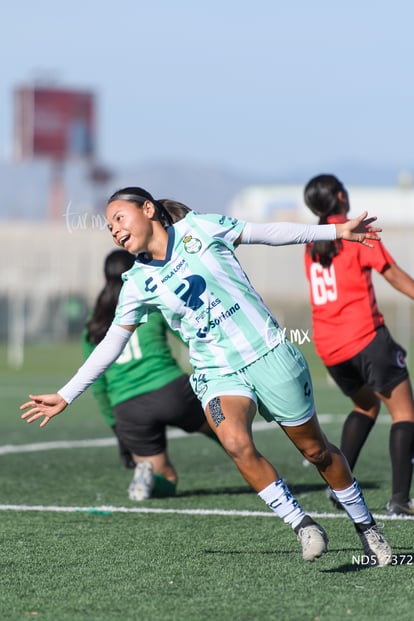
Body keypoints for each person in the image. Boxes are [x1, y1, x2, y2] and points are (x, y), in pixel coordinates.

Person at [20, 186, 392, 565]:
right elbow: (111, 343)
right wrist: (67, 394)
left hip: (268, 354)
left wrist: (337, 231)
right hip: (216, 371)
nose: (114, 230)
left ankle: (366, 527)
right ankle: (302, 524)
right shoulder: (136, 283)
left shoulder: (201, 228)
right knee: (234, 443)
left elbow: (268, 233)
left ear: (148, 209)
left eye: (119, 218)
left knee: (316, 451)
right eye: (108, 226)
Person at [303, 173, 414, 517]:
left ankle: (339, 488)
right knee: (405, 413)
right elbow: (392, 274)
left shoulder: (313, 241)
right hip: (365, 338)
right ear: (340, 195)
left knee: (366, 406)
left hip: (330, 347)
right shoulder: (355, 232)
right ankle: (399, 499)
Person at [83, 248, 220, 501]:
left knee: (167, 479)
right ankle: (264, 475)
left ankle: (147, 478)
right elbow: (189, 335)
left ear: (105, 280)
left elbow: (99, 386)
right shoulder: (150, 301)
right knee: (228, 433)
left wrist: (119, 431)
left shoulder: (94, 323)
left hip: (128, 410)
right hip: (172, 391)